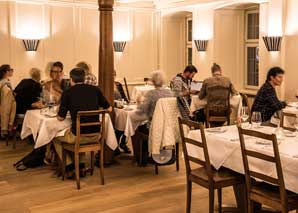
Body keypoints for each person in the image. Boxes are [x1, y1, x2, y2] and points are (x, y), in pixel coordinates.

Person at [52, 68, 112, 177]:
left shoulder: (68, 92)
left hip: (78, 137)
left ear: (71, 79)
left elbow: (60, 118)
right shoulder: (95, 90)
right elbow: (109, 109)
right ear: (84, 78)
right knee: (79, 131)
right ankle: (81, 167)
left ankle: (70, 167)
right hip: (96, 135)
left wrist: (58, 111)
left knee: (54, 137)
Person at [132, 70, 173, 166]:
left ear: (153, 81)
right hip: (168, 127)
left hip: (154, 127)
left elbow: (142, 111)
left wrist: (139, 102)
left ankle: (142, 159)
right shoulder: (169, 92)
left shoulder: (151, 94)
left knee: (136, 128)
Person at [0, 64, 16, 137]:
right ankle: (5, 132)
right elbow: (6, 105)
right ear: (6, 72)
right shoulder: (5, 84)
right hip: (6, 108)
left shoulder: (5, 82)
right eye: (11, 70)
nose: (12, 71)